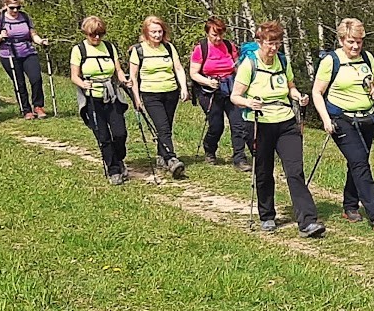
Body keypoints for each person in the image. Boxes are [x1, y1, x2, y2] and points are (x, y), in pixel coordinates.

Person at [230, 20, 324, 238]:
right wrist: (249, 103)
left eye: (277, 43)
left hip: (286, 122)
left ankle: (308, 222)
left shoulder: (282, 61)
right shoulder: (249, 65)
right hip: (259, 123)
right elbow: (235, 96)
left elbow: (290, 87)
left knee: (295, 171)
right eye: (270, 43)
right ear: (260, 42)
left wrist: (299, 96)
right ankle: (267, 215)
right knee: (263, 171)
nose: (273, 48)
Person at [314, 18, 374, 231]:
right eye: (350, 42)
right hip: (341, 119)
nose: (355, 46)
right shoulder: (331, 61)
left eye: (359, 41)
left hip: (366, 118)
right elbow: (317, 92)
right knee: (360, 164)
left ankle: (350, 205)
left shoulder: (367, 58)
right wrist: (326, 120)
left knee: (357, 162)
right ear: (341, 40)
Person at [69, 16, 130, 184]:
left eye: (100, 34)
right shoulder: (79, 50)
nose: (96, 38)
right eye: (93, 35)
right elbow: (74, 76)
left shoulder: (109, 48)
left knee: (120, 133)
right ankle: (113, 170)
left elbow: (117, 70)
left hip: (111, 96)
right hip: (92, 99)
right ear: (86, 33)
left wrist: (124, 80)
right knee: (103, 137)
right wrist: (83, 83)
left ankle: (118, 159)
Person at [128, 15, 190, 177]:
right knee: (162, 127)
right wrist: (136, 97)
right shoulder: (138, 50)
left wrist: (183, 87)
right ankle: (171, 159)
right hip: (150, 94)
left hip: (170, 92)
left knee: (166, 126)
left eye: (160, 31)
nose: (157, 35)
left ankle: (161, 155)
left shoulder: (169, 48)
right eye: (153, 32)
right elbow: (133, 77)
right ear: (146, 33)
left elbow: (178, 68)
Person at [189, 16, 248, 170]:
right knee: (216, 125)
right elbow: (194, 73)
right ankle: (209, 150)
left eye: (221, 34)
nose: (218, 38)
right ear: (207, 33)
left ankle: (240, 159)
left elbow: (237, 67)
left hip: (230, 87)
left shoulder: (229, 46)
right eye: (214, 35)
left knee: (238, 123)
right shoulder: (201, 49)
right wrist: (208, 81)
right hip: (208, 91)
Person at [0, 0, 51, 118]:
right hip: (9, 53)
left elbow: (33, 34)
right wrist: (1, 36)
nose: (15, 10)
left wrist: (40, 41)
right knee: (19, 82)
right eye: (12, 7)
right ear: (6, 5)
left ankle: (38, 106)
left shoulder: (25, 17)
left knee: (36, 78)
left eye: (18, 7)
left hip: (27, 51)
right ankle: (26, 109)